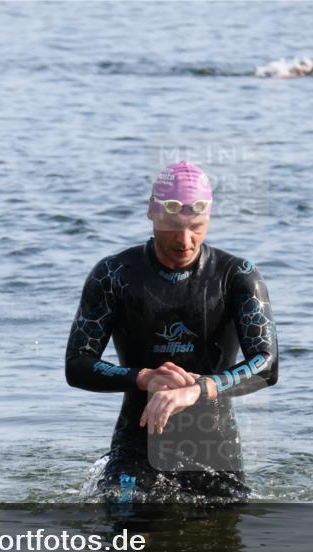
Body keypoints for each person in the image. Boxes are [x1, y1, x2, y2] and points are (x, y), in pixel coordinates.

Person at [65, 161, 278, 501]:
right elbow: (77, 364)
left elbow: (267, 365)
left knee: (219, 551)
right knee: (126, 543)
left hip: (214, 449)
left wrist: (200, 388)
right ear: (152, 213)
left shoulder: (237, 276)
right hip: (136, 445)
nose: (185, 240)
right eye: (173, 226)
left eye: (196, 226)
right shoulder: (114, 274)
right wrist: (143, 378)